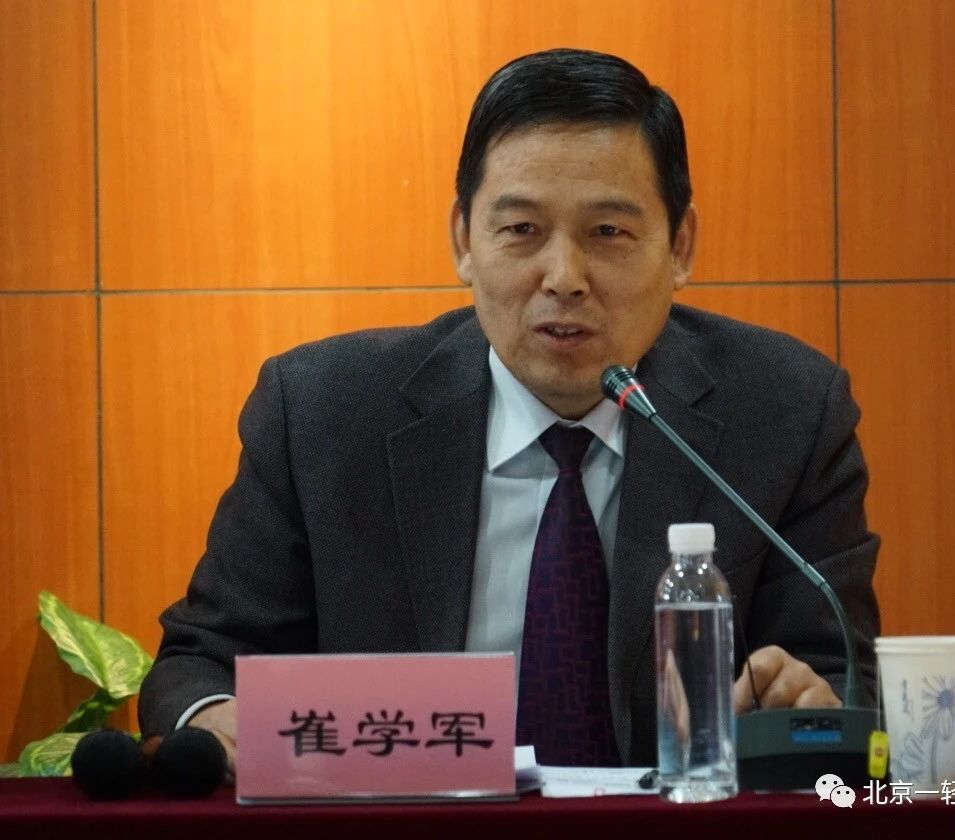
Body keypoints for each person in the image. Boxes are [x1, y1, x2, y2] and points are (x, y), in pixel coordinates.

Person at [138, 48, 880, 774]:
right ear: (464, 240)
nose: (564, 278)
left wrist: (807, 705)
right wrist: (213, 717)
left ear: (679, 245)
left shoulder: (784, 412)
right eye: (522, 230)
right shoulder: (323, 414)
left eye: (608, 232)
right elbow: (203, 661)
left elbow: (840, 677)